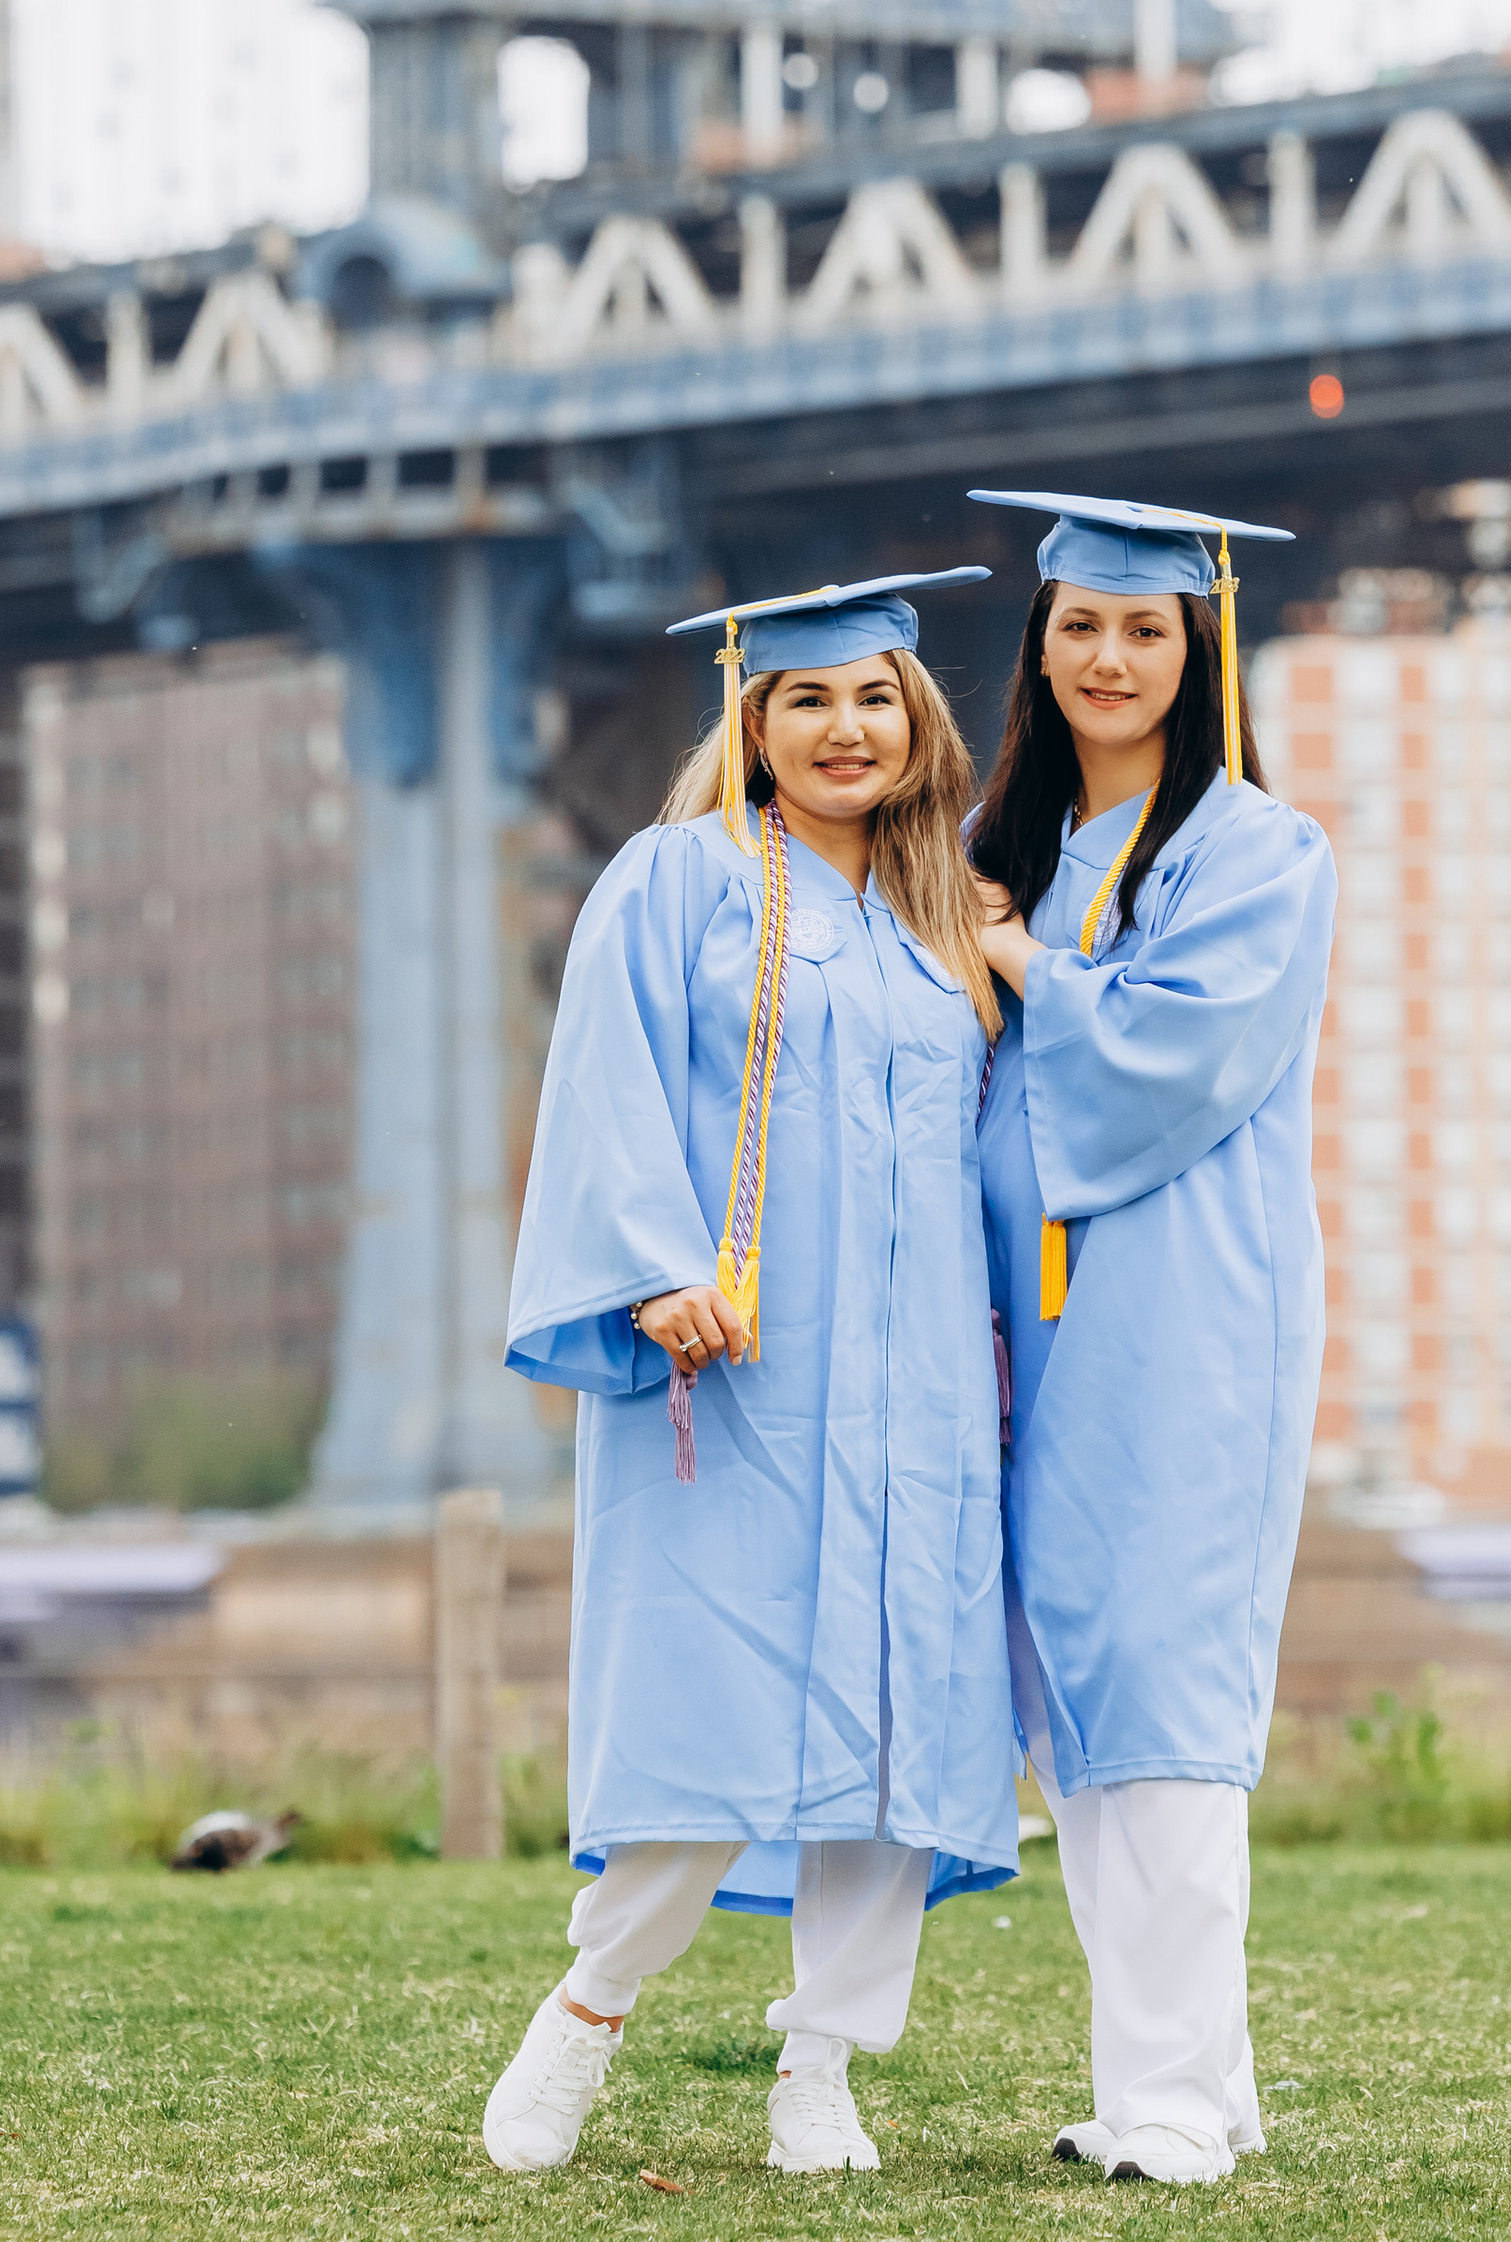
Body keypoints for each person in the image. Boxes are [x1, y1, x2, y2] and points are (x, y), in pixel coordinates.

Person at [481, 569, 1018, 2180]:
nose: (844, 728)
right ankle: (589, 2009)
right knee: (704, 1715)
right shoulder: (680, 880)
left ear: (915, 718)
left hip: (919, 1392)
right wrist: (654, 1263)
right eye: (807, 699)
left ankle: (824, 2068)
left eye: (872, 697)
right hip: (741, 1372)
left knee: (894, 1741)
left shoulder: (949, 916)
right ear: (754, 718)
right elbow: (607, 1074)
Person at [963, 486, 1336, 2189]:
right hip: (1036, 1346)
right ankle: (1183, 2082)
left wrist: (1027, 971)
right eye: (1081, 626)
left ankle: (1176, 2101)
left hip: (1186, 1323)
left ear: (1201, 652)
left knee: (1172, 1694)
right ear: (1039, 649)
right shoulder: (1007, 856)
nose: (1112, 657)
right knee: (1086, 1703)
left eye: (1147, 628)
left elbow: (1172, 1062)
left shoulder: (1256, 850)